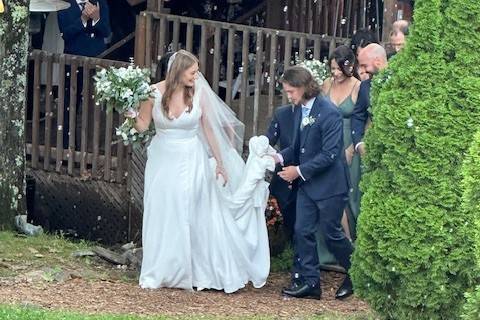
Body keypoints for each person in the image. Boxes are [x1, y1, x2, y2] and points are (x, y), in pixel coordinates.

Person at [130, 50, 273, 293]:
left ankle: (193, 269)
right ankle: (162, 269)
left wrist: (219, 162)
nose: (196, 77)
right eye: (192, 72)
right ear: (178, 71)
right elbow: (143, 125)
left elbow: (208, 128)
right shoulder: (152, 93)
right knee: (164, 209)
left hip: (191, 158)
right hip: (163, 158)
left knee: (189, 209)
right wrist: (130, 114)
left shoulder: (197, 93)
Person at [274, 66, 354, 300]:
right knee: (302, 231)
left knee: (332, 234)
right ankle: (310, 282)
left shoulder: (329, 112)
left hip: (330, 185)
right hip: (308, 186)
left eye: (291, 91)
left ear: (303, 87)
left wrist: (298, 171)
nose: (289, 96)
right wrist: (278, 157)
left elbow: (330, 154)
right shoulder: (300, 110)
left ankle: (356, 272)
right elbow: (298, 146)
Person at [57, 0, 111, 149]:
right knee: (70, 104)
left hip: (97, 61)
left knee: (94, 105)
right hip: (73, 61)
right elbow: (65, 34)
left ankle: (91, 147)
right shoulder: (65, 4)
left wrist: (97, 18)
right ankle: (68, 147)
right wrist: (83, 20)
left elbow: (106, 31)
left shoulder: (101, 3)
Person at [322, 45, 361, 243]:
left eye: (339, 69)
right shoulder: (327, 84)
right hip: (329, 142)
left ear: (349, 66)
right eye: (333, 69)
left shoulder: (357, 86)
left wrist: (352, 148)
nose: (336, 73)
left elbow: (365, 120)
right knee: (329, 192)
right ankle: (336, 243)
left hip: (348, 143)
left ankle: (352, 240)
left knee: (349, 193)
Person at [265, 103, 297, 241]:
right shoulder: (282, 113)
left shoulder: (319, 113)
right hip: (284, 167)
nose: (290, 95)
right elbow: (269, 139)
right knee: (279, 198)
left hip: (308, 168)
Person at [352, 43, 388, 157]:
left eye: (364, 65)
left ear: (377, 61)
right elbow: (358, 116)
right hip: (374, 150)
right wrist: (359, 143)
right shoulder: (365, 86)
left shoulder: (402, 80)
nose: (363, 70)